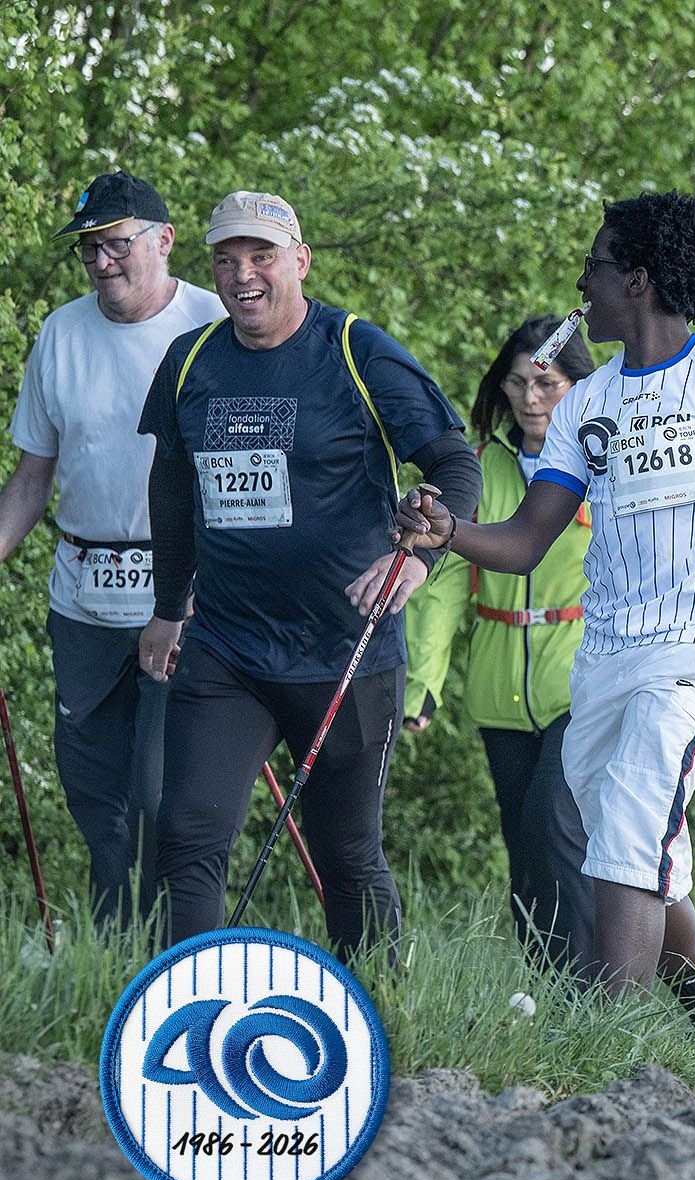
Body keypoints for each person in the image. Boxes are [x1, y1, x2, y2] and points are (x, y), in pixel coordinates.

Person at [393, 191, 695, 1008]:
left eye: (593, 265)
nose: (582, 283)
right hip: (604, 658)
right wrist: (447, 529)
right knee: (632, 841)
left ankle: (608, 1036)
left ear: (636, 279)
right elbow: (526, 540)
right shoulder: (588, 403)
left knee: (634, 824)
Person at [135, 190, 482, 957]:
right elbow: (173, 488)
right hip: (228, 646)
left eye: (261, 256)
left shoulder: (357, 349)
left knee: (346, 852)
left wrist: (419, 557)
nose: (243, 275)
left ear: (300, 260)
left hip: (345, 649)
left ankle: (379, 1005)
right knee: (187, 833)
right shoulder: (191, 360)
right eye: (226, 260)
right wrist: (167, 605)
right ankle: (183, 1003)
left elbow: (457, 466)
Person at [0, 171, 229, 930]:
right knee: (96, 796)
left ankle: (171, 953)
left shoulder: (214, 321)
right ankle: (109, 953)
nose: (102, 262)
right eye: (89, 248)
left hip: (187, 598)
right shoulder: (61, 334)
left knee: (164, 794)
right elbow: (31, 480)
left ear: (164, 241)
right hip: (83, 597)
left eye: (116, 243)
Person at [403, 315, 599, 977]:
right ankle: (549, 993)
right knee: (523, 846)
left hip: (582, 681)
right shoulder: (481, 467)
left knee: (554, 824)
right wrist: (422, 685)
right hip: (499, 690)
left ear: (578, 387)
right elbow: (442, 588)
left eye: (547, 383)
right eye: (517, 383)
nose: (530, 398)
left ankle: (591, 993)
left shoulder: (604, 465)